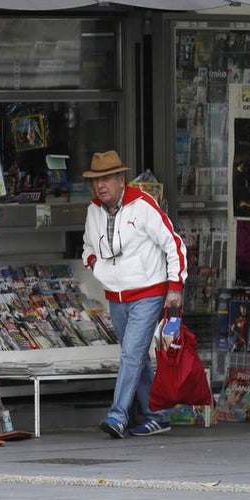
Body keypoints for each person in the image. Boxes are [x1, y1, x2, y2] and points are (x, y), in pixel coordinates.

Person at [82, 150, 187, 438]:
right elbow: (87, 246)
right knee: (136, 356)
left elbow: (173, 243)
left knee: (130, 354)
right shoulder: (93, 211)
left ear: (121, 180)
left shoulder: (143, 205)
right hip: (116, 297)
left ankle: (117, 416)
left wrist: (175, 285)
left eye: (106, 179)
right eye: (96, 180)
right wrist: (94, 265)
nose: (100, 185)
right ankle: (158, 415)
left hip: (148, 293)